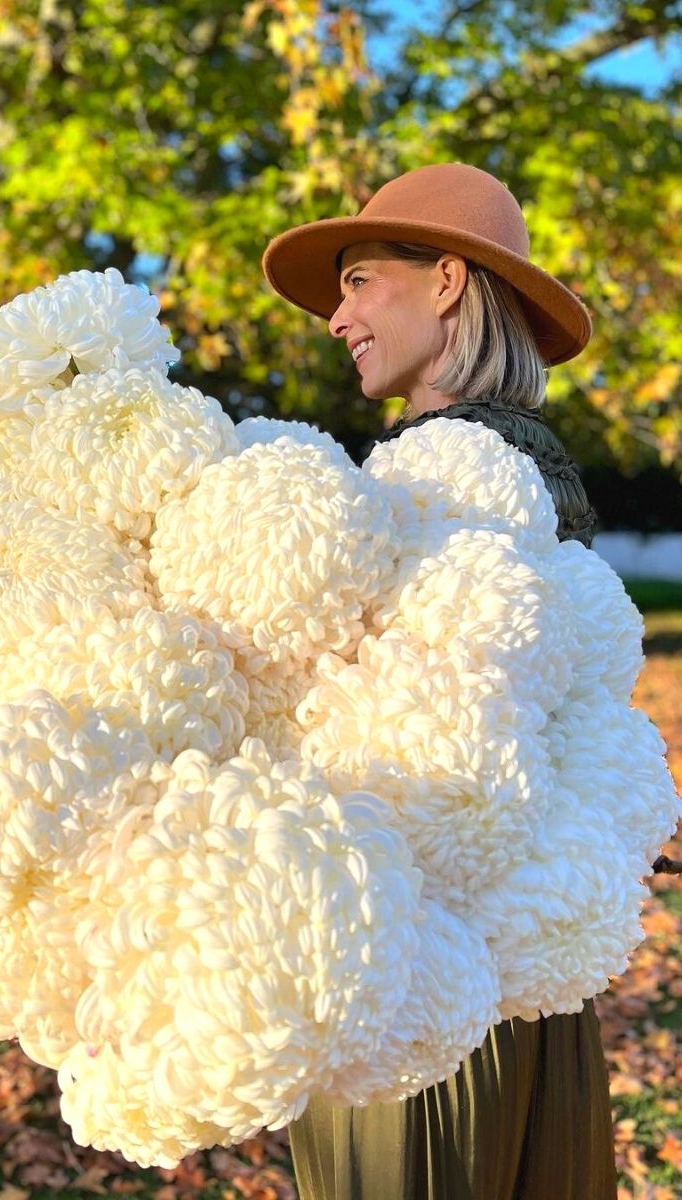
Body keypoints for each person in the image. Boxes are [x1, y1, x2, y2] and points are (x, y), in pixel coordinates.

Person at [261, 162, 616, 1200]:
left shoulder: (442, 478)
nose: (337, 317)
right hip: (528, 952)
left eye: (361, 280)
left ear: (449, 281)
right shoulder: (537, 461)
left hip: (418, 967)